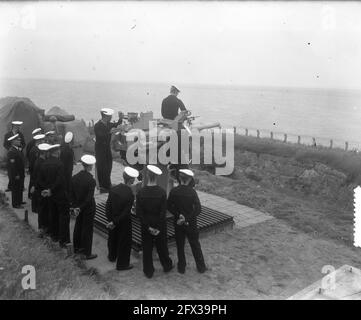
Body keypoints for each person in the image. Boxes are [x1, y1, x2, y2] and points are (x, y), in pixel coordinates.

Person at [136, 165, 173, 278]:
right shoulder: (162, 192)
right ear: (157, 176)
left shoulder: (140, 192)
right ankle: (167, 266)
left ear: (147, 175)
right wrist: (156, 227)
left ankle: (148, 271)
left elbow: (139, 213)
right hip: (159, 225)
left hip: (146, 225)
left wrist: (148, 227)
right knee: (162, 247)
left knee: (147, 248)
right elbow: (163, 213)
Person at [167, 169, 206, 274]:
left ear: (180, 178)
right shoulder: (192, 192)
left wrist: (178, 215)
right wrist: (187, 218)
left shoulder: (174, 191)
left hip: (178, 222)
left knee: (180, 245)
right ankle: (201, 267)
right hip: (191, 223)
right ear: (189, 180)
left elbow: (168, 206)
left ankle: (181, 268)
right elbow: (198, 209)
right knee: (195, 245)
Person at [106, 166, 139, 271]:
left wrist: (111, 221)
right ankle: (122, 264)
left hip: (113, 219)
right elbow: (126, 212)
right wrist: (115, 221)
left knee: (112, 238)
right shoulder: (130, 194)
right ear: (132, 179)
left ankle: (112, 256)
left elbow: (108, 205)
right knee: (124, 242)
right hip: (124, 222)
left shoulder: (114, 189)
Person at [38, 144, 70, 247]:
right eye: (59, 151)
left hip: (50, 196)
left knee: (53, 215)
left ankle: (54, 236)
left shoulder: (44, 164)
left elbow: (40, 180)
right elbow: (60, 180)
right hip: (60, 194)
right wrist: (51, 190)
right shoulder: (60, 164)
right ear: (57, 152)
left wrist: (47, 189)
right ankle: (63, 241)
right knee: (64, 217)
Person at [70, 155, 97, 260]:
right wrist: (81, 208)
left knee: (78, 226)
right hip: (88, 208)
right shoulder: (91, 180)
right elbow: (89, 198)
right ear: (90, 166)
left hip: (77, 206)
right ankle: (86, 252)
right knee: (87, 229)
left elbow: (71, 194)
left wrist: (75, 206)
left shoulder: (75, 177)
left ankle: (76, 248)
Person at [94, 108, 122, 193]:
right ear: (105, 116)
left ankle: (107, 184)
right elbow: (100, 136)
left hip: (106, 148)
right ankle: (102, 186)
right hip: (100, 149)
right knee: (101, 167)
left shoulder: (108, 124)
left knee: (108, 165)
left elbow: (116, 124)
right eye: (110, 116)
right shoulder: (98, 125)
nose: (111, 117)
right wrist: (110, 132)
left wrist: (120, 118)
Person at [33, 143, 51, 235]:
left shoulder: (38, 161)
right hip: (41, 190)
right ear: (45, 153)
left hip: (40, 189)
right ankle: (42, 228)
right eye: (48, 152)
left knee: (42, 209)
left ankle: (42, 227)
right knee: (43, 209)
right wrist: (46, 188)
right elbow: (40, 179)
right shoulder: (41, 163)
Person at [3, 121, 26, 192]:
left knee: (19, 169)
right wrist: (10, 148)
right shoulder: (8, 134)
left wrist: (20, 148)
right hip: (12, 153)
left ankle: (20, 186)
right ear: (13, 126)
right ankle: (11, 186)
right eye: (17, 126)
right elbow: (5, 144)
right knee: (12, 170)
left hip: (19, 153)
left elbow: (23, 143)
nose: (18, 127)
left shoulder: (20, 134)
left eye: (19, 126)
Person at [6, 134, 25, 208]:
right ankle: (16, 204)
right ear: (13, 141)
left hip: (20, 172)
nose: (19, 141)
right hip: (15, 174)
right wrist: (16, 174)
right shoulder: (11, 151)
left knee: (20, 187)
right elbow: (12, 165)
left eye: (19, 140)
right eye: (18, 140)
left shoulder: (17, 149)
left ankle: (19, 201)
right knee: (16, 189)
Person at [27, 134, 46, 210]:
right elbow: (32, 162)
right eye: (42, 140)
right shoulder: (34, 150)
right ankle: (34, 205)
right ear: (39, 141)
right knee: (34, 187)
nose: (43, 141)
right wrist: (32, 172)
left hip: (36, 170)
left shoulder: (37, 149)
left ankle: (34, 202)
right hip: (35, 170)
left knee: (35, 186)